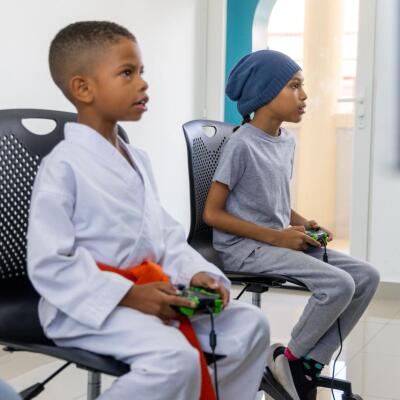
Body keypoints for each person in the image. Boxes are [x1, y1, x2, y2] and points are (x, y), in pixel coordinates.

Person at [27, 21, 270, 400]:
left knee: (249, 325)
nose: (143, 83)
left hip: (153, 291)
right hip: (88, 304)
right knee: (174, 359)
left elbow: (165, 237)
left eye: (141, 72)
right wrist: (128, 295)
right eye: (127, 73)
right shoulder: (63, 166)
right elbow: (49, 263)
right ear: (83, 88)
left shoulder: (136, 159)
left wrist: (198, 273)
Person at [203, 49, 380, 400]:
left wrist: (301, 222)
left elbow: (272, 201)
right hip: (242, 249)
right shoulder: (242, 144)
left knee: (366, 277)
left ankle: (307, 364)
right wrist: (277, 237)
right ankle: (288, 360)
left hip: (273, 240)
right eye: (294, 86)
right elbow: (212, 214)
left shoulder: (285, 141)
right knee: (339, 284)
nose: (305, 95)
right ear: (264, 94)